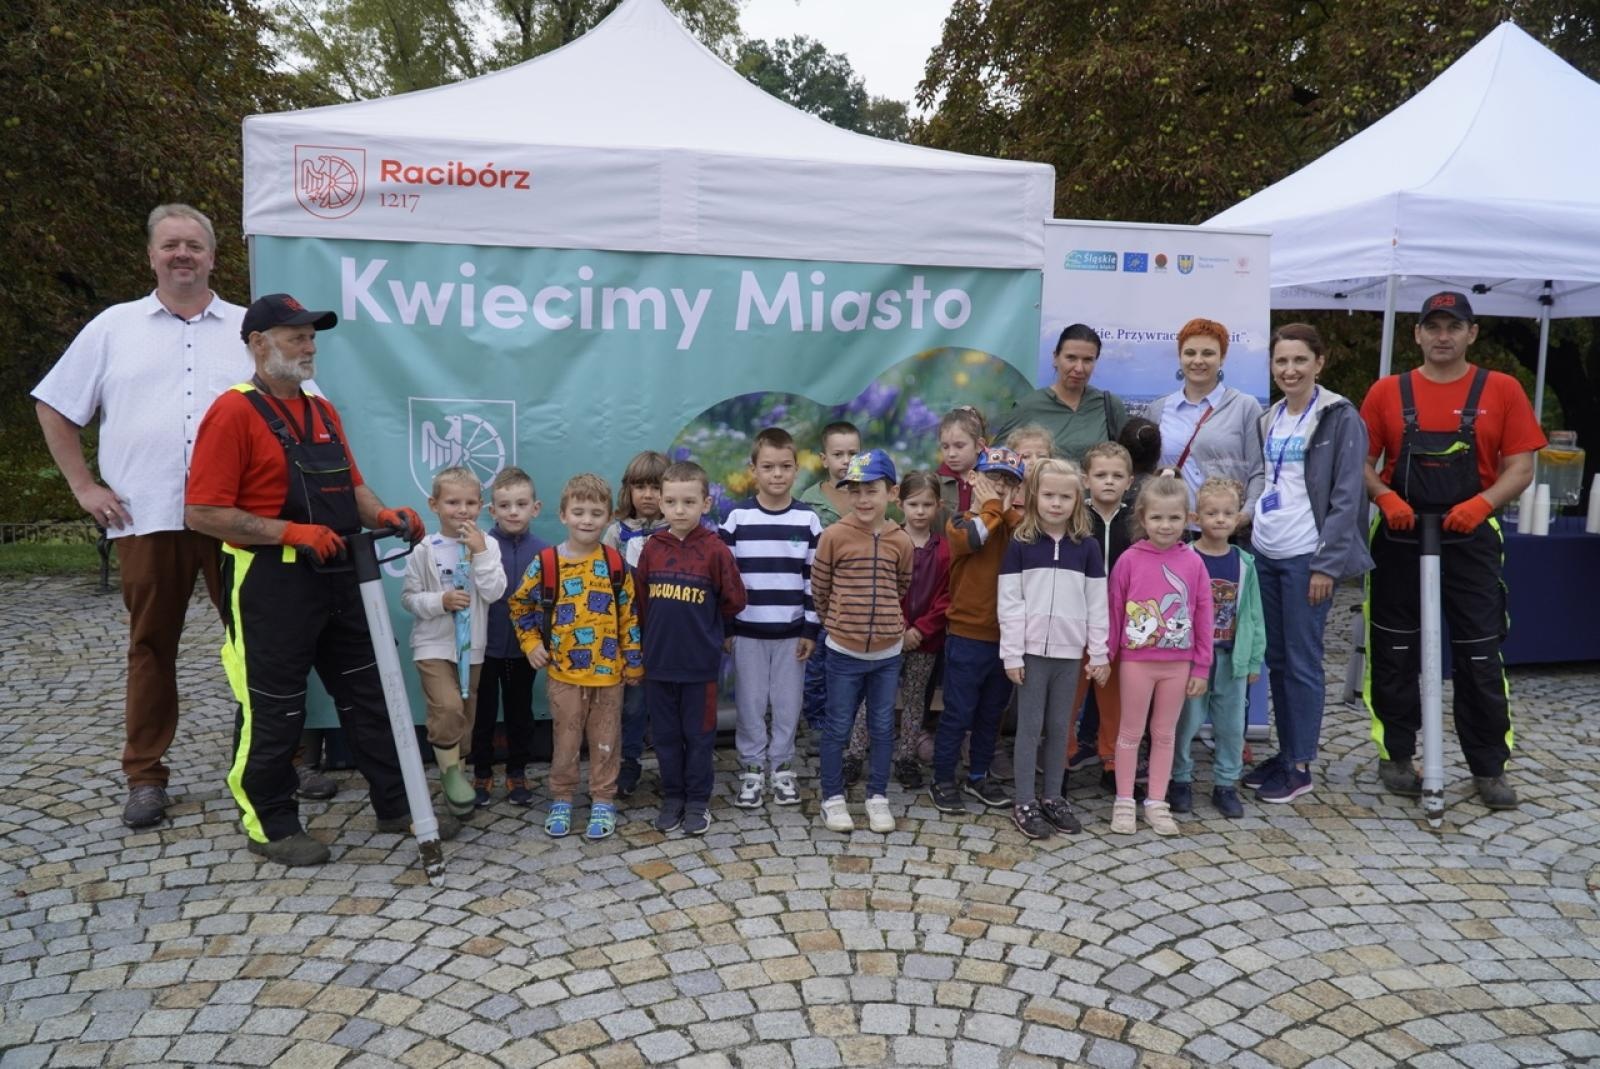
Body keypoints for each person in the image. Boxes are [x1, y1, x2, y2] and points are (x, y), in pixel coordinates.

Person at [31, 205, 263, 829]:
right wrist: (83, 486)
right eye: (170, 245)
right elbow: (54, 405)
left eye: (194, 245)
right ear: (152, 256)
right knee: (151, 647)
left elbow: (297, 407)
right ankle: (145, 775)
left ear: (213, 257)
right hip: (147, 515)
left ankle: (274, 763)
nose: (182, 254)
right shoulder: (114, 327)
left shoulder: (248, 329)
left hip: (235, 520)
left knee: (259, 643)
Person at [184, 292, 433, 866]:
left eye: (312, 337)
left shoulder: (321, 410)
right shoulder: (233, 412)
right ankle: (270, 824)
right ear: (258, 343)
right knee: (274, 706)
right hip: (270, 584)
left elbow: (352, 486)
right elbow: (202, 513)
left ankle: (399, 806)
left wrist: (385, 515)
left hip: (341, 575)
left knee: (370, 695)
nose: (309, 346)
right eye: (296, 336)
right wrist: (289, 533)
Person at [1360, 292, 1543, 810]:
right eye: (1433, 326)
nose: (1443, 336)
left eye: (1453, 326)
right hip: (1399, 535)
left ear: (1471, 333)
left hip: (1471, 538)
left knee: (1480, 652)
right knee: (1393, 650)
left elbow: (1521, 467)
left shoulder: (1502, 389)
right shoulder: (1387, 392)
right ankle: (1396, 754)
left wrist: (1483, 504)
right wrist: (1384, 495)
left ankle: (1488, 766)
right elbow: (1360, 463)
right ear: (1417, 333)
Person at [1241, 324, 1372, 805]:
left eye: (1300, 360)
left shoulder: (1340, 417)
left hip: (1306, 557)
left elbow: (1347, 496)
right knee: (1276, 659)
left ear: (1319, 362)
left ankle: (1299, 766)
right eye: (1281, 361)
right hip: (1267, 552)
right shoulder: (1269, 417)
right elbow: (1267, 479)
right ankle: (1285, 752)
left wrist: (1327, 565)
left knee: (1301, 661)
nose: (1290, 369)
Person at [508, 473, 643, 840]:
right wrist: (530, 643)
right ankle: (563, 797)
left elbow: (629, 616)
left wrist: (633, 661)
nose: (587, 520)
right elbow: (519, 605)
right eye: (579, 512)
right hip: (563, 675)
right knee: (565, 742)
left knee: (606, 740)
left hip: (609, 675)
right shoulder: (546, 563)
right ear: (563, 514)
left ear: (609, 517)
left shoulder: (616, 564)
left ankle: (603, 798)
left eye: (596, 513)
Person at [633, 461, 747, 836]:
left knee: (699, 737)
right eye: (671, 502)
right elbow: (642, 603)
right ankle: (673, 797)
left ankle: (698, 800)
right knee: (665, 738)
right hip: (659, 664)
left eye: (688, 502)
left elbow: (734, 600)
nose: (679, 510)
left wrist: (712, 633)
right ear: (661, 504)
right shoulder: (652, 548)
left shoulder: (715, 551)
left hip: (699, 666)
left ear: (706, 503)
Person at [998, 458, 1109, 840]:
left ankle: (1052, 796)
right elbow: (1009, 602)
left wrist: (1099, 653)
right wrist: (1012, 654)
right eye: (1048, 495)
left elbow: (1098, 604)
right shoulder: (1021, 543)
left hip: (1069, 655)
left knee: (1061, 728)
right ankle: (1024, 800)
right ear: (1034, 497)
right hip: (1031, 654)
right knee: (1029, 728)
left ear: (1078, 500)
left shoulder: (1087, 547)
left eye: (1065, 496)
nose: (1056, 503)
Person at [812, 450, 915, 834]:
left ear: (892, 493)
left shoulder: (900, 540)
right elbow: (820, 589)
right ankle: (832, 797)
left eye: (872, 490)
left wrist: (885, 624)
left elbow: (901, 585)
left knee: (882, 726)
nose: (863, 499)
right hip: (843, 653)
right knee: (838, 726)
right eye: (855, 491)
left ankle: (877, 797)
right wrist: (839, 623)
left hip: (887, 654)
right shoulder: (834, 536)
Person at [1106, 475, 1214, 836]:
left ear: (1187, 519)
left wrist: (1201, 666)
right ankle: (1124, 800)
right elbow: (1114, 610)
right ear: (1143, 517)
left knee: (1165, 733)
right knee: (1130, 731)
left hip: (1178, 665)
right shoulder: (1129, 560)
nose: (1165, 526)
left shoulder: (1194, 563)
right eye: (1157, 518)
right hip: (1136, 663)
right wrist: (1106, 655)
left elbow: (1204, 614)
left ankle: (1156, 801)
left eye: (1173, 518)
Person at [720, 428, 821, 808]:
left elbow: (814, 580)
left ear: (796, 469)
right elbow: (726, 580)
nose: (777, 474)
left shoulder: (808, 520)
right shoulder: (737, 519)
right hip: (747, 633)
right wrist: (728, 627)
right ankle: (751, 769)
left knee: (787, 704)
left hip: (791, 634)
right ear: (753, 470)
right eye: (768, 467)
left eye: (785, 466)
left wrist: (810, 628)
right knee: (749, 703)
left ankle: (782, 767)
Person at [400, 466, 506, 821]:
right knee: (446, 708)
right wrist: (440, 601)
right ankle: (451, 776)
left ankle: (455, 780)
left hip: (471, 647)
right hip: (432, 644)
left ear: (481, 505)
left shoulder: (488, 544)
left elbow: (494, 591)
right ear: (434, 504)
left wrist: (481, 554)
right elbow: (409, 598)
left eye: (470, 503)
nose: (462, 510)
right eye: (452, 502)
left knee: (464, 714)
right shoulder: (423, 550)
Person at [928, 446, 1027, 815]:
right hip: (967, 637)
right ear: (972, 478)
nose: (999, 486)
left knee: (991, 715)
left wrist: (1006, 511)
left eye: (1009, 482)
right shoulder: (961, 522)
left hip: (1006, 639)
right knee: (958, 713)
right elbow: (973, 538)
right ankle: (942, 778)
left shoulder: (1014, 526)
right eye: (993, 478)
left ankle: (979, 775)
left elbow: (1028, 542)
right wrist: (995, 509)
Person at [841, 470, 949, 790]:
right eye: (913, 504)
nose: (920, 511)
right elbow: (882, 587)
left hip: (925, 642)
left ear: (938, 506)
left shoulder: (945, 550)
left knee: (915, 700)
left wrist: (921, 630)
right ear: (900, 504)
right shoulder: (890, 541)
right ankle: (854, 754)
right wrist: (900, 628)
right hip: (888, 637)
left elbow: (946, 597)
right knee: (875, 697)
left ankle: (906, 758)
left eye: (927, 505)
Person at [1170, 478, 1265, 819]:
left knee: (1231, 726)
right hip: (1192, 659)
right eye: (1212, 513)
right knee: (1185, 722)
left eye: (1228, 513)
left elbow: (1253, 614)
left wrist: (1253, 659)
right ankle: (1179, 779)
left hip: (1230, 658)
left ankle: (1226, 783)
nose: (1220, 519)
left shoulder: (1244, 563)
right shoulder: (1186, 557)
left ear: (1238, 517)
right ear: (1196, 518)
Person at [471, 467, 546, 808]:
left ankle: (517, 772)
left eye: (521, 504)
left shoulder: (545, 553)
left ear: (535, 508)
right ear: (492, 510)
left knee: (520, 713)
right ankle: (481, 773)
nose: (513, 512)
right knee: (483, 714)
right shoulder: (479, 547)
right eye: (504, 505)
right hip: (484, 648)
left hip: (523, 651)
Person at [1144, 318, 1264, 524]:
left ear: (1222, 358)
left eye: (1208, 353)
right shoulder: (1158, 409)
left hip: (1226, 529)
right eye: (1190, 353)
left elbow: (1259, 472)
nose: (1198, 360)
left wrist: (1244, 516)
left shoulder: (1245, 406)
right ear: (1180, 357)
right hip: (1171, 530)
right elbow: (1146, 471)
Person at [603, 450, 670, 798]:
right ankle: (629, 761)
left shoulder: (676, 530)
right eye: (640, 487)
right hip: (629, 634)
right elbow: (604, 584)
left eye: (656, 487)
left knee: (666, 701)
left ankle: (671, 763)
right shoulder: (616, 533)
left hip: (668, 633)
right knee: (632, 703)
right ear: (628, 490)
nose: (648, 495)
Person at [797, 421, 861, 737]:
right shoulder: (808, 501)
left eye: (853, 453)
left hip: (856, 598)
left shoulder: (867, 496)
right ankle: (817, 721)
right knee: (817, 663)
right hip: (821, 599)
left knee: (850, 666)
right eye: (838, 454)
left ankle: (849, 722)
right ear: (824, 459)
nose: (846, 460)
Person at [994, 323, 1129, 464]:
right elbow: (996, 458)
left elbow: (1126, 461)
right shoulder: (1029, 407)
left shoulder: (1109, 406)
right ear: (1055, 357)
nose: (1079, 368)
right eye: (1071, 358)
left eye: (1088, 360)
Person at [936, 405, 987, 518]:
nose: (951, 454)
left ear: (979, 446)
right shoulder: (935, 483)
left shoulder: (991, 481)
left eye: (959, 446)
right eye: (945, 447)